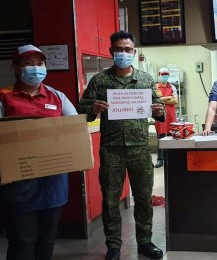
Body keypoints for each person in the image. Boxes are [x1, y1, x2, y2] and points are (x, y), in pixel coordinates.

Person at [0, 44, 78, 260]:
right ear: (16, 68)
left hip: (53, 181)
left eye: (40, 64)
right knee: (22, 239)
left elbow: (75, 130)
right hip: (17, 181)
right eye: (28, 64)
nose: (36, 69)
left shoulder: (57, 97)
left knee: (47, 238)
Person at [77, 31, 165, 260]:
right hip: (111, 149)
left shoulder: (145, 79)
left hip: (139, 148)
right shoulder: (100, 80)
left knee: (144, 198)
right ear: (111, 52)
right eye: (119, 49)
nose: (123, 53)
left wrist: (159, 111)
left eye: (128, 50)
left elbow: (158, 108)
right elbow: (81, 108)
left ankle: (145, 241)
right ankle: (113, 246)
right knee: (110, 200)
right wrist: (92, 109)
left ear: (134, 52)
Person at [154, 67, 177, 168]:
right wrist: (169, 97)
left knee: (171, 136)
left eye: (166, 74)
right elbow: (156, 100)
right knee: (161, 137)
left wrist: (162, 99)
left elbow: (175, 101)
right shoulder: (155, 87)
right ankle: (160, 159)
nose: (164, 76)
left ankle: (171, 158)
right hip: (160, 115)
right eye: (163, 74)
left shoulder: (172, 87)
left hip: (171, 115)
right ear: (159, 75)